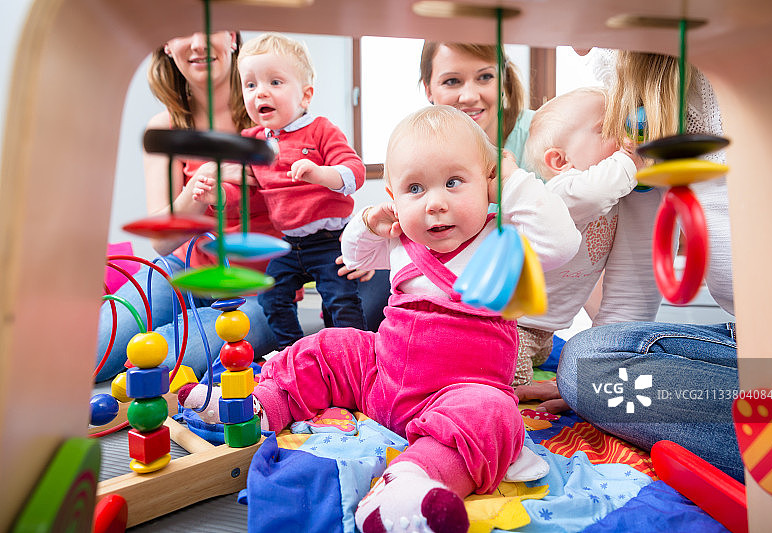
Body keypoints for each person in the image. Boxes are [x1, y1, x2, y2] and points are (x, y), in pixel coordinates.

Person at [183, 105, 581, 531]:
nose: (435, 204)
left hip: (457, 394)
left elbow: (562, 243)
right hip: (381, 378)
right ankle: (261, 405)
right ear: (393, 198)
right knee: (333, 344)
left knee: (492, 414)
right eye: (415, 188)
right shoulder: (399, 239)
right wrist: (367, 223)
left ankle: (411, 483)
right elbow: (354, 257)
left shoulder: (499, 238)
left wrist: (514, 181)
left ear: (489, 184)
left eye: (453, 182)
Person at [95, 31, 381, 383]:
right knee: (95, 347)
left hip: (255, 285)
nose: (198, 42)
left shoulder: (274, 118)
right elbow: (162, 241)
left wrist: (356, 244)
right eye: (182, 29)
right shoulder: (166, 128)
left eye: (208, 27)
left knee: (156, 362)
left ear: (232, 37)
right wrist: (206, 182)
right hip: (182, 269)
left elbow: (323, 198)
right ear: (167, 44)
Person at [521, 50, 743, 482]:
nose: (580, 49)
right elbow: (628, 296)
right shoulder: (582, 183)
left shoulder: (635, 154)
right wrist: (591, 387)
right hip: (747, 342)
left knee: (586, 370)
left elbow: (634, 284)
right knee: (586, 363)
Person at [211, 32, 368, 351]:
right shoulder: (252, 141)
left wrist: (318, 174)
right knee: (272, 296)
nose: (260, 93)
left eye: (275, 82)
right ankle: (293, 353)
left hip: (329, 242)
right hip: (288, 244)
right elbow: (245, 195)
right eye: (250, 85)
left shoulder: (321, 129)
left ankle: (355, 356)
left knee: (340, 302)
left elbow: (355, 172)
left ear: (306, 96)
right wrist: (218, 195)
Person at [510, 86, 646, 387]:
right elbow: (597, 190)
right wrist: (629, 157)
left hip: (546, 329)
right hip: (511, 326)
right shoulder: (561, 193)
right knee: (509, 387)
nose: (623, 136)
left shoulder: (614, 195)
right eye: (606, 129)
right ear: (560, 161)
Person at [419, 42, 535, 170]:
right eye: (451, 81)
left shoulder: (543, 135)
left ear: (503, 80)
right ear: (428, 90)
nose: (470, 97)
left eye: (485, 77)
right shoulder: (414, 151)